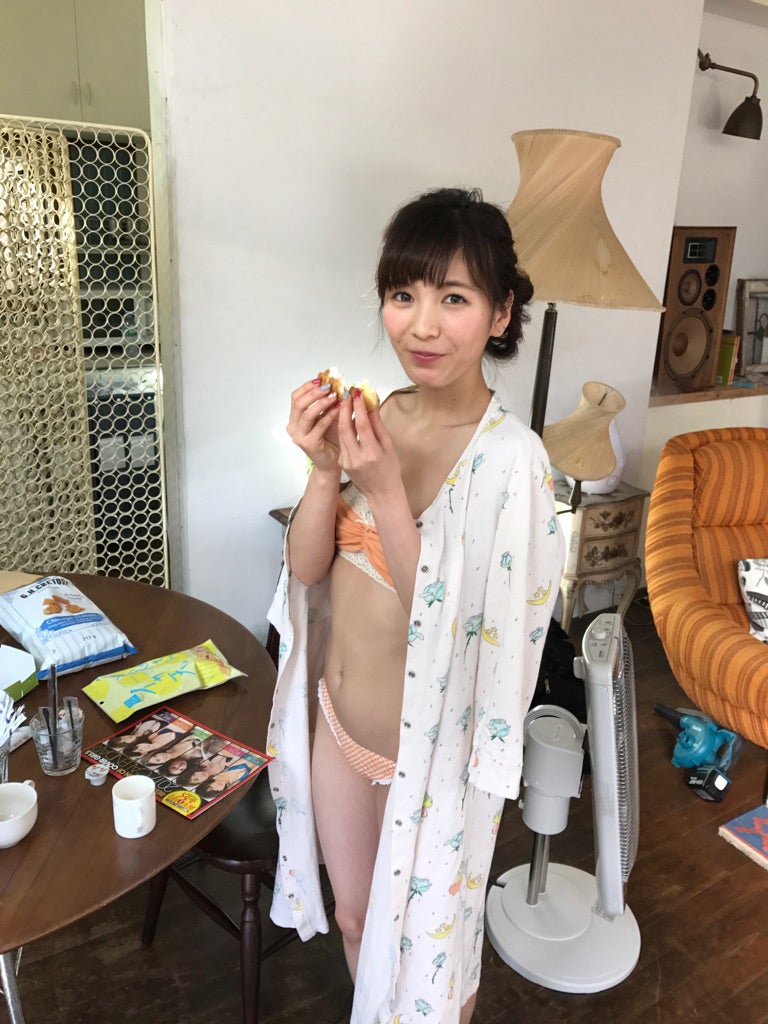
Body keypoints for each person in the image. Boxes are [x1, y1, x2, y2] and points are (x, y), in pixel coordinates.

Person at [266, 187, 564, 1024]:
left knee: (433, 950)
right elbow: (307, 569)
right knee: (358, 923)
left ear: (500, 314)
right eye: (403, 294)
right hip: (338, 730)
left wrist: (388, 492)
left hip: (430, 762)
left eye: (454, 299)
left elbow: (469, 636)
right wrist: (325, 471)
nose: (422, 326)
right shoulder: (380, 415)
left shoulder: (513, 463)